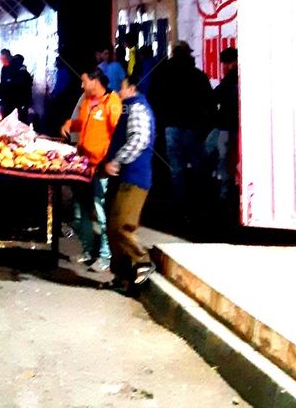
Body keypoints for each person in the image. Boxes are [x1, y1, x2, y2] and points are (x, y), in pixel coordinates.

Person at [148, 40, 213, 226]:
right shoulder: (197, 75)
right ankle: (202, 204)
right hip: (192, 126)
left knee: (176, 168)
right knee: (199, 165)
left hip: (170, 126)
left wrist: (159, 124)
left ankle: (181, 205)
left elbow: (154, 98)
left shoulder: (162, 73)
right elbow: (208, 100)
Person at [62, 69, 121, 270]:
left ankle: (105, 256)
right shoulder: (88, 100)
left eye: (84, 81)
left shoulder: (112, 103)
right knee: (80, 210)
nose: (81, 85)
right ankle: (88, 251)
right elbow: (83, 125)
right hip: (83, 165)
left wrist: (110, 161)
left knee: (100, 210)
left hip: (100, 167)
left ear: (95, 81)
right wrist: (70, 125)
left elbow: (118, 135)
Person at [105, 69, 156, 292]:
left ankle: (143, 262)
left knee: (121, 226)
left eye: (122, 87)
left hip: (135, 177)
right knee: (112, 226)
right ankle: (122, 276)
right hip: (126, 177)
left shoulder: (136, 107)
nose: (119, 91)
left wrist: (116, 160)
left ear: (132, 89)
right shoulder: (132, 108)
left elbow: (138, 139)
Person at [207, 46, 239, 203]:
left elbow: (216, 96)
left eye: (226, 63)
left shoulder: (231, 79)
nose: (224, 67)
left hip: (226, 125)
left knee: (221, 157)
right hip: (231, 125)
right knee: (225, 157)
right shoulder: (236, 79)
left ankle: (224, 194)